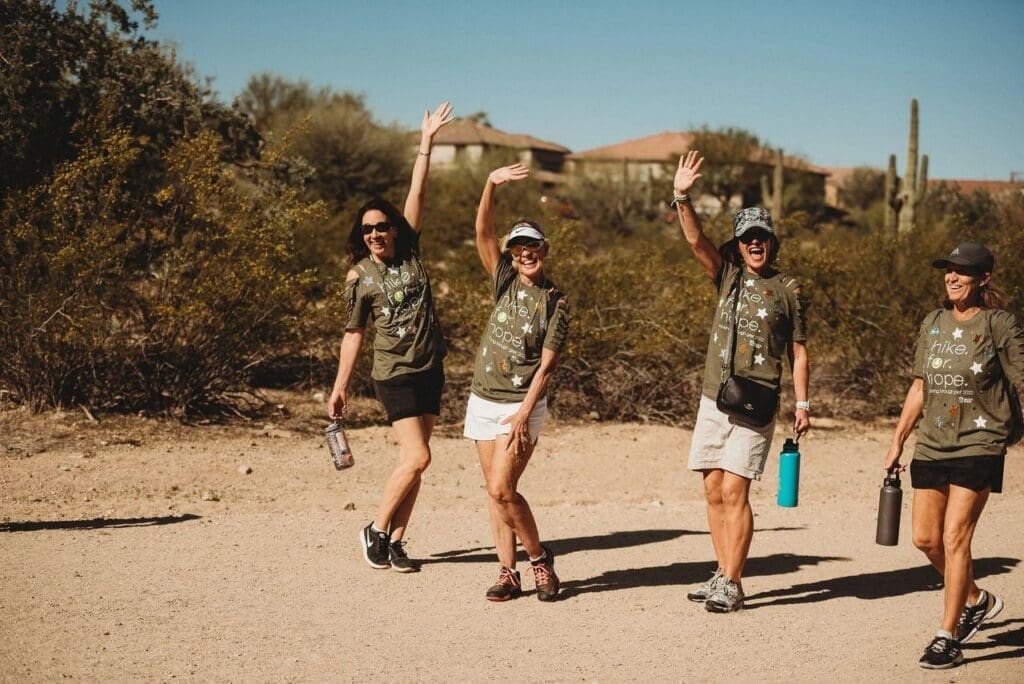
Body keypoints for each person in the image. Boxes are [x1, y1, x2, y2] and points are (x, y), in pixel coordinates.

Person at [672, 151, 811, 613]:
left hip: (757, 401)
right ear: (738, 243)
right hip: (716, 396)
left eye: (762, 237)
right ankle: (720, 571)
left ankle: (733, 580)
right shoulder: (727, 277)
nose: (756, 244)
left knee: (736, 490)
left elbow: (798, 349)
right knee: (712, 488)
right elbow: (695, 242)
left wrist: (804, 403)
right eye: (748, 238)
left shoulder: (788, 289)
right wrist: (681, 195)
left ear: (772, 242)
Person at [328, 101, 454, 573]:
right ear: (361, 237)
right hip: (394, 373)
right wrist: (341, 385)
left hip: (429, 368)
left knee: (417, 462)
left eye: (382, 227)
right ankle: (376, 531)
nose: (375, 234)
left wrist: (426, 144)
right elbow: (353, 333)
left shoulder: (411, 251)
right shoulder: (358, 277)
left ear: (395, 230)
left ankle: (397, 541)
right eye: (367, 230)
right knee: (418, 455)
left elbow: (418, 191)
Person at [884, 242, 1020, 669]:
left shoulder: (999, 324)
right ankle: (976, 598)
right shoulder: (934, 323)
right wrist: (897, 441)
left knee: (955, 537)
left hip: (980, 442)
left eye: (964, 270)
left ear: (984, 278)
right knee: (925, 539)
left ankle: (947, 635)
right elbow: (920, 387)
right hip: (932, 442)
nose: (953, 276)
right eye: (949, 269)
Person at [463, 163, 570, 602]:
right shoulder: (504, 280)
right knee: (494, 493)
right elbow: (482, 232)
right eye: (519, 247)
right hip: (482, 399)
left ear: (545, 249)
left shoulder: (555, 301)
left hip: (519, 405)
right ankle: (508, 572)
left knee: (503, 487)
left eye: (533, 246)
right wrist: (490, 184)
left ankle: (540, 559)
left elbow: (546, 367)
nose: (526, 253)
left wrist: (524, 412)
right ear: (511, 254)